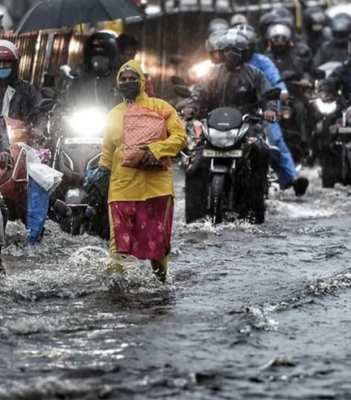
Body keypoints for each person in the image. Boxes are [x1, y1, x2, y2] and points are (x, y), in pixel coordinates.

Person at [99, 60, 187, 282]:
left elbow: (180, 138)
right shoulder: (112, 115)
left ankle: (161, 283)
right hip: (122, 188)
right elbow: (108, 150)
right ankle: (115, 290)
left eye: (133, 78)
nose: (128, 83)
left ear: (142, 81)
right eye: (124, 79)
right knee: (117, 244)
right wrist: (101, 173)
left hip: (156, 189)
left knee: (157, 246)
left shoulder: (162, 108)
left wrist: (156, 150)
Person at [183, 29, 277, 220]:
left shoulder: (255, 75)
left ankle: (256, 207)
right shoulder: (211, 74)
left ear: (245, 52)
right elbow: (198, 93)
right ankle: (194, 215)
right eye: (227, 50)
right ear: (220, 52)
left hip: (246, 125)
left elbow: (268, 96)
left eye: (236, 50)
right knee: (195, 163)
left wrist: (269, 109)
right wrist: (191, 107)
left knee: (261, 151)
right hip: (213, 128)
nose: (231, 54)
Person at [236, 24, 309, 196]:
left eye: (244, 47)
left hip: (258, 111)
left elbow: (275, 81)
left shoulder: (262, 62)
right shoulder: (221, 66)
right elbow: (206, 85)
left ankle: (291, 179)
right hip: (228, 112)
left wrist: (281, 92)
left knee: (275, 140)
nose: (239, 52)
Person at [0, 40, 48, 138]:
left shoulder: (27, 89)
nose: (1, 67)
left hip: (21, 142)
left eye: (6, 63)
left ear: (14, 65)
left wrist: (40, 129)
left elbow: (40, 111)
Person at [66, 31, 122, 110]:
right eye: (95, 56)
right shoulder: (78, 82)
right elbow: (67, 103)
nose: (98, 60)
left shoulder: (118, 80)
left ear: (112, 58)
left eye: (103, 56)